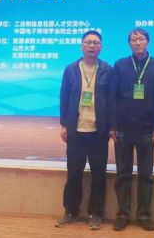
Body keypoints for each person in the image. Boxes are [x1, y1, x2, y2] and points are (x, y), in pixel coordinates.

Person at [56, 30, 112, 231]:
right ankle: (71, 210)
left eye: (95, 43)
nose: (91, 46)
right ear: (81, 46)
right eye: (88, 42)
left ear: (101, 47)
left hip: (98, 132)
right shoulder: (71, 69)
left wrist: (111, 127)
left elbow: (112, 101)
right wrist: (64, 124)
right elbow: (64, 97)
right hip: (76, 131)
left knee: (98, 175)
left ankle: (95, 213)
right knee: (74, 173)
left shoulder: (107, 70)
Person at [109, 28, 154, 232]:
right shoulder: (120, 65)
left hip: (147, 130)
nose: (138, 42)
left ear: (148, 42)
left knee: (146, 175)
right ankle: (122, 214)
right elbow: (112, 97)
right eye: (134, 39)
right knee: (123, 174)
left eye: (141, 39)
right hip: (123, 129)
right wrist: (113, 125)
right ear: (129, 43)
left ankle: (144, 215)